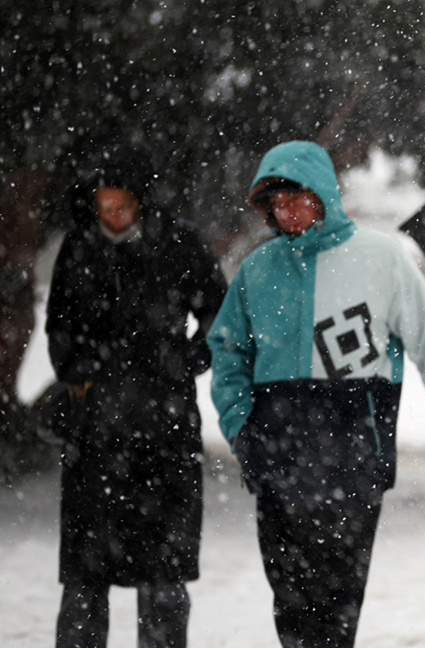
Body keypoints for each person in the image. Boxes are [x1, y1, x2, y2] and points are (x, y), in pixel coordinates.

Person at [208, 140, 425, 648]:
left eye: (296, 199)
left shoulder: (381, 259)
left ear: (323, 196)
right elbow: (227, 353)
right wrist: (240, 426)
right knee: (290, 602)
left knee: (337, 605)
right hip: (276, 459)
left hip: (353, 459)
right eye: (276, 204)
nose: (286, 213)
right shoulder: (257, 270)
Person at [46, 144, 227, 648]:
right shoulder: (79, 249)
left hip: (165, 434)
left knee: (164, 580)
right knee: (84, 579)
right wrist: (80, 374)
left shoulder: (181, 245)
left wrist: (184, 364)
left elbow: (220, 318)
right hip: (94, 435)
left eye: (122, 205)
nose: (112, 215)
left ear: (142, 201)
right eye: (104, 205)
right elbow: (58, 326)